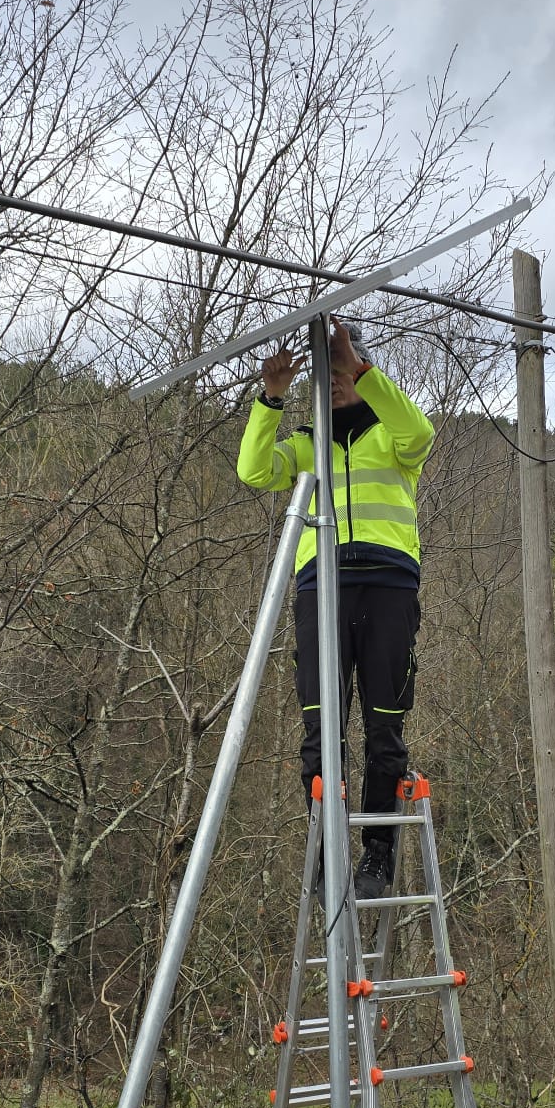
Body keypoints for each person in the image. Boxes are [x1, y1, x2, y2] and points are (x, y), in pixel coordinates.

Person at [237, 317, 432, 901]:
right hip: (321, 588)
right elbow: (252, 469)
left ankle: (377, 853)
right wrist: (270, 399)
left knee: (383, 726)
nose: (338, 384)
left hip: (388, 586)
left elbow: (418, 429)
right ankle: (328, 855)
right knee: (322, 729)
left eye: (344, 374)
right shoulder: (302, 446)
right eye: (329, 378)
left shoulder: (393, 439)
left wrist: (362, 369)